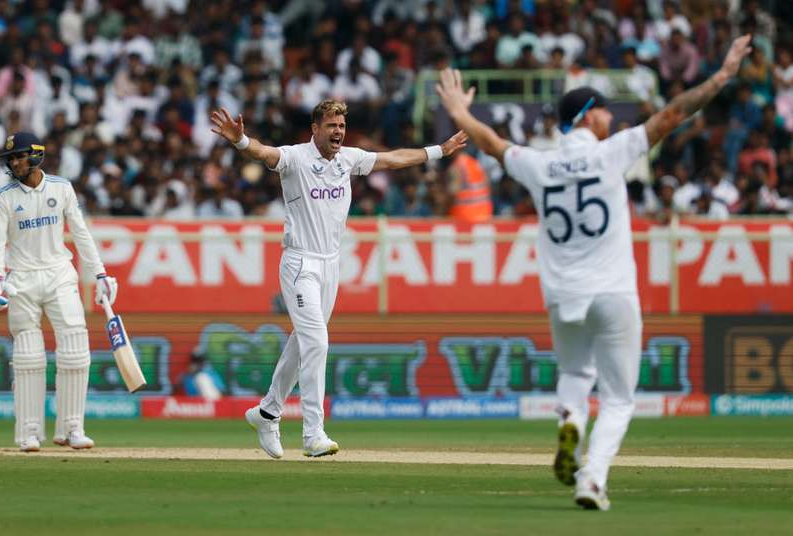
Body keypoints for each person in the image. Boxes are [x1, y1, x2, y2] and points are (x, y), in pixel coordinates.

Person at [435, 35, 752, 510]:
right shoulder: (613, 151)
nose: (613, 118)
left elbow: (492, 143)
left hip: (563, 295)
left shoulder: (538, 163)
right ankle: (592, 478)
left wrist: (460, 115)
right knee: (621, 398)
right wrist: (722, 77)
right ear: (586, 115)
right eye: (604, 111)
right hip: (614, 291)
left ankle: (570, 423)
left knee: (575, 373)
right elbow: (673, 113)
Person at [210, 99, 467, 458]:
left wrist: (439, 150)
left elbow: (393, 159)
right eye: (331, 126)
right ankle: (313, 434)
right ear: (314, 129)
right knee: (318, 341)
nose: (338, 132)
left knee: (304, 342)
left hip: (331, 265)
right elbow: (264, 154)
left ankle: (267, 412)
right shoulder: (296, 157)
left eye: (342, 126)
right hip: (300, 263)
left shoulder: (349, 159)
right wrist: (240, 141)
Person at [0, 132, 118, 452]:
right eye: (10, 158)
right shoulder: (4, 197)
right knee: (28, 356)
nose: (14, 162)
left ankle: (72, 427)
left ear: (36, 155)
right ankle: (28, 432)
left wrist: (99, 273)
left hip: (60, 275)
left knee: (75, 348)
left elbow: (82, 235)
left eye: (19, 156)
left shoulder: (61, 188)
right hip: (22, 281)